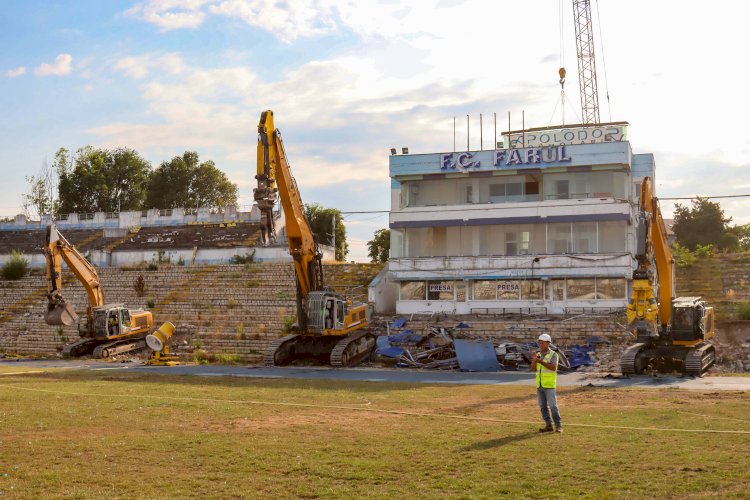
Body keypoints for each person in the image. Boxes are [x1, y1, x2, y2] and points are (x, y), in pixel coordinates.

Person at [531, 333, 562, 433]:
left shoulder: (553, 355)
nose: (540, 344)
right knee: (543, 407)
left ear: (548, 343)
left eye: (542, 343)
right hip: (539, 385)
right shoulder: (538, 354)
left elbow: (553, 367)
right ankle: (548, 425)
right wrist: (534, 360)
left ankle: (558, 426)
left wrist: (540, 361)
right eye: (539, 343)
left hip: (549, 385)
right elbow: (533, 369)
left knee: (553, 406)